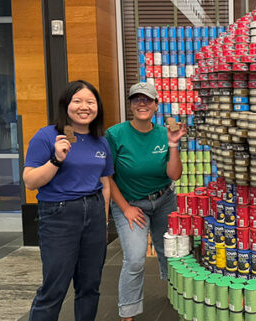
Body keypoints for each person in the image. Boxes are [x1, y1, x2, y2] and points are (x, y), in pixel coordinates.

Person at [23, 80, 113, 321]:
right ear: (66, 105)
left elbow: (105, 183)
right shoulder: (47, 136)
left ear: (98, 108)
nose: (84, 107)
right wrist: (55, 160)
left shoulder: (101, 141)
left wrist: (103, 222)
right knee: (54, 287)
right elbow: (30, 181)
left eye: (90, 102)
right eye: (77, 101)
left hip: (94, 212)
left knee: (90, 285)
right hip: (59, 215)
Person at [106, 82, 186, 321]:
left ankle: (177, 296)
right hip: (130, 203)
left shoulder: (164, 133)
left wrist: (173, 145)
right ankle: (128, 312)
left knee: (171, 253)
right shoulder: (115, 134)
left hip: (164, 200)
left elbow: (174, 175)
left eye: (147, 99)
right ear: (130, 105)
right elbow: (107, 177)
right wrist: (126, 208)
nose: (142, 103)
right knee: (136, 258)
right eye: (136, 99)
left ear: (156, 105)